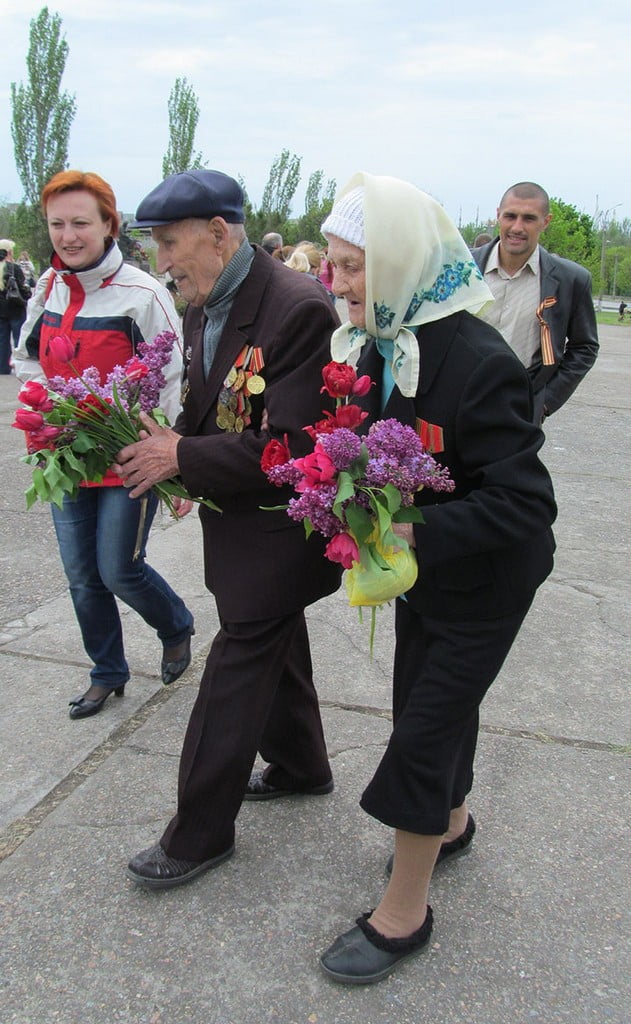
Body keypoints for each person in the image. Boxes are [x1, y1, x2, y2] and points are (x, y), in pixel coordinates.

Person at [316, 173, 557, 985]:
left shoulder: (476, 359)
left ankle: (402, 914)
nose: (336, 284)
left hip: (488, 584)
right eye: (333, 266)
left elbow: (526, 504)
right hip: (422, 578)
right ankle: (450, 824)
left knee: (420, 731)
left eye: (352, 268)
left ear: (399, 266)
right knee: (428, 702)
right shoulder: (376, 343)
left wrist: (408, 524)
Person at [114, 169, 341, 888]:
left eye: (170, 243)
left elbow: (298, 449)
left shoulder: (297, 308)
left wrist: (184, 454)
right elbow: (217, 413)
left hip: (283, 530)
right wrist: (178, 452)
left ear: (219, 232)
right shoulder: (202, 301)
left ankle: (198, 835)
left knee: (238, 666)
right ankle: (302, 765)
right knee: (280, 641)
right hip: (239, 518)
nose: (163, 261)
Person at [13, 170, 194, 720]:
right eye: (57, 224)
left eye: (81, 223)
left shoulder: (143, 294)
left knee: (118, 569)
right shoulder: (47, 288)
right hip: (65, 456)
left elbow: (171, 380)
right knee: (81, 573)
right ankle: (107, 672)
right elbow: (25, 358)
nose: (68, 236)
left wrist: (167, 457)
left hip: (127, 455)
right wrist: (48, 404)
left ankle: (176, 623)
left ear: (108, 225)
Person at [472, 182, 599, 424]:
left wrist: (544, 402)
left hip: (520, 410)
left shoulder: (571, 280)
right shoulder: (463, 267)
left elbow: (584, 348)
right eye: (510, 216)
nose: (517, 227)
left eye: (529, 218)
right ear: (498, 215)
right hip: (457, 401)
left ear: (546, 221)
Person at [0, 240, 31, 374]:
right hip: (15, 307)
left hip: (1, 309)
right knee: (19, 338)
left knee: (2, 339)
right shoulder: (13, 268)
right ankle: (20, 367)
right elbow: (23, 287)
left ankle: (3, 367)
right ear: (9, 251)